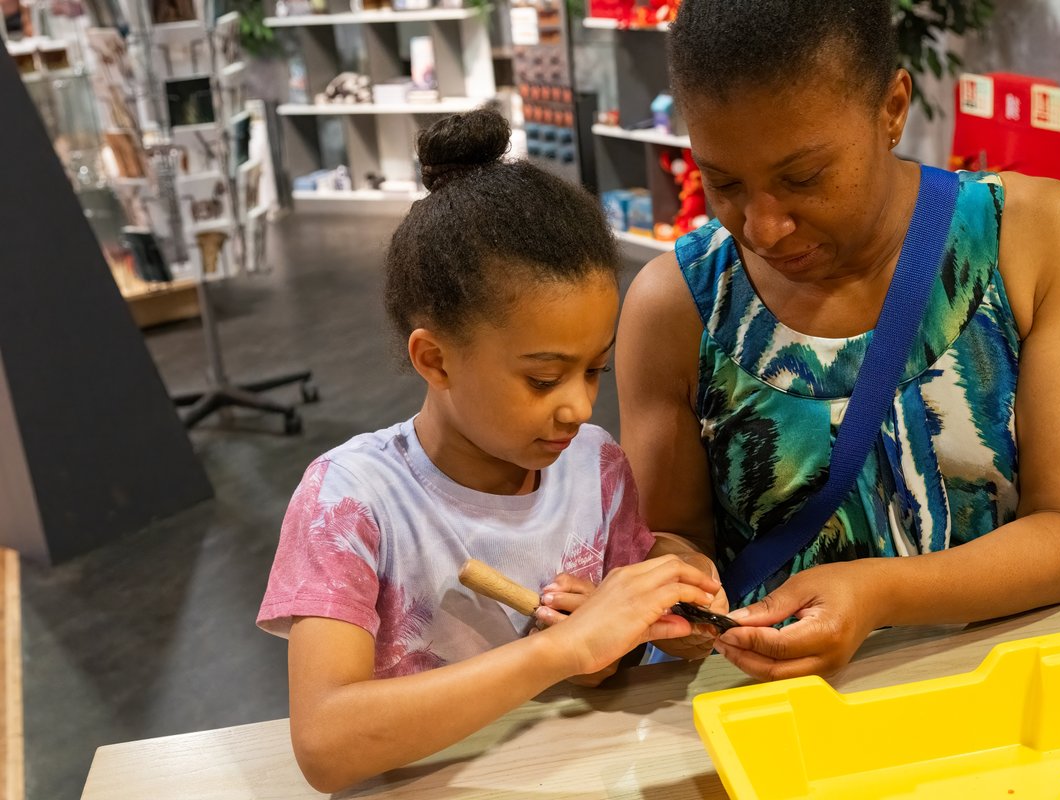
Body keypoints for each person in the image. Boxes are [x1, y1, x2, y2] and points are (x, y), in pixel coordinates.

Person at [615, 0, 1060, 678]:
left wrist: (876, 595)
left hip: (994, 694)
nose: (765, 228)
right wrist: (673, 595)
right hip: (773, 705)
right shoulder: (677, 304)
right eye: (725, 182)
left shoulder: (1034, 243)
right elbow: (675, 536)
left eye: (804, 178)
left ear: (892, 109)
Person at [257, 109, 719, 793]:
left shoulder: (594, 467)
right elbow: (326, 744)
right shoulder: (349, 501)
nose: (582, 408)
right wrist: (559, 652)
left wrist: (660, 620)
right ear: (435, 359)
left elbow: (604, 665)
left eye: (595, 369)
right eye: (542, 378)